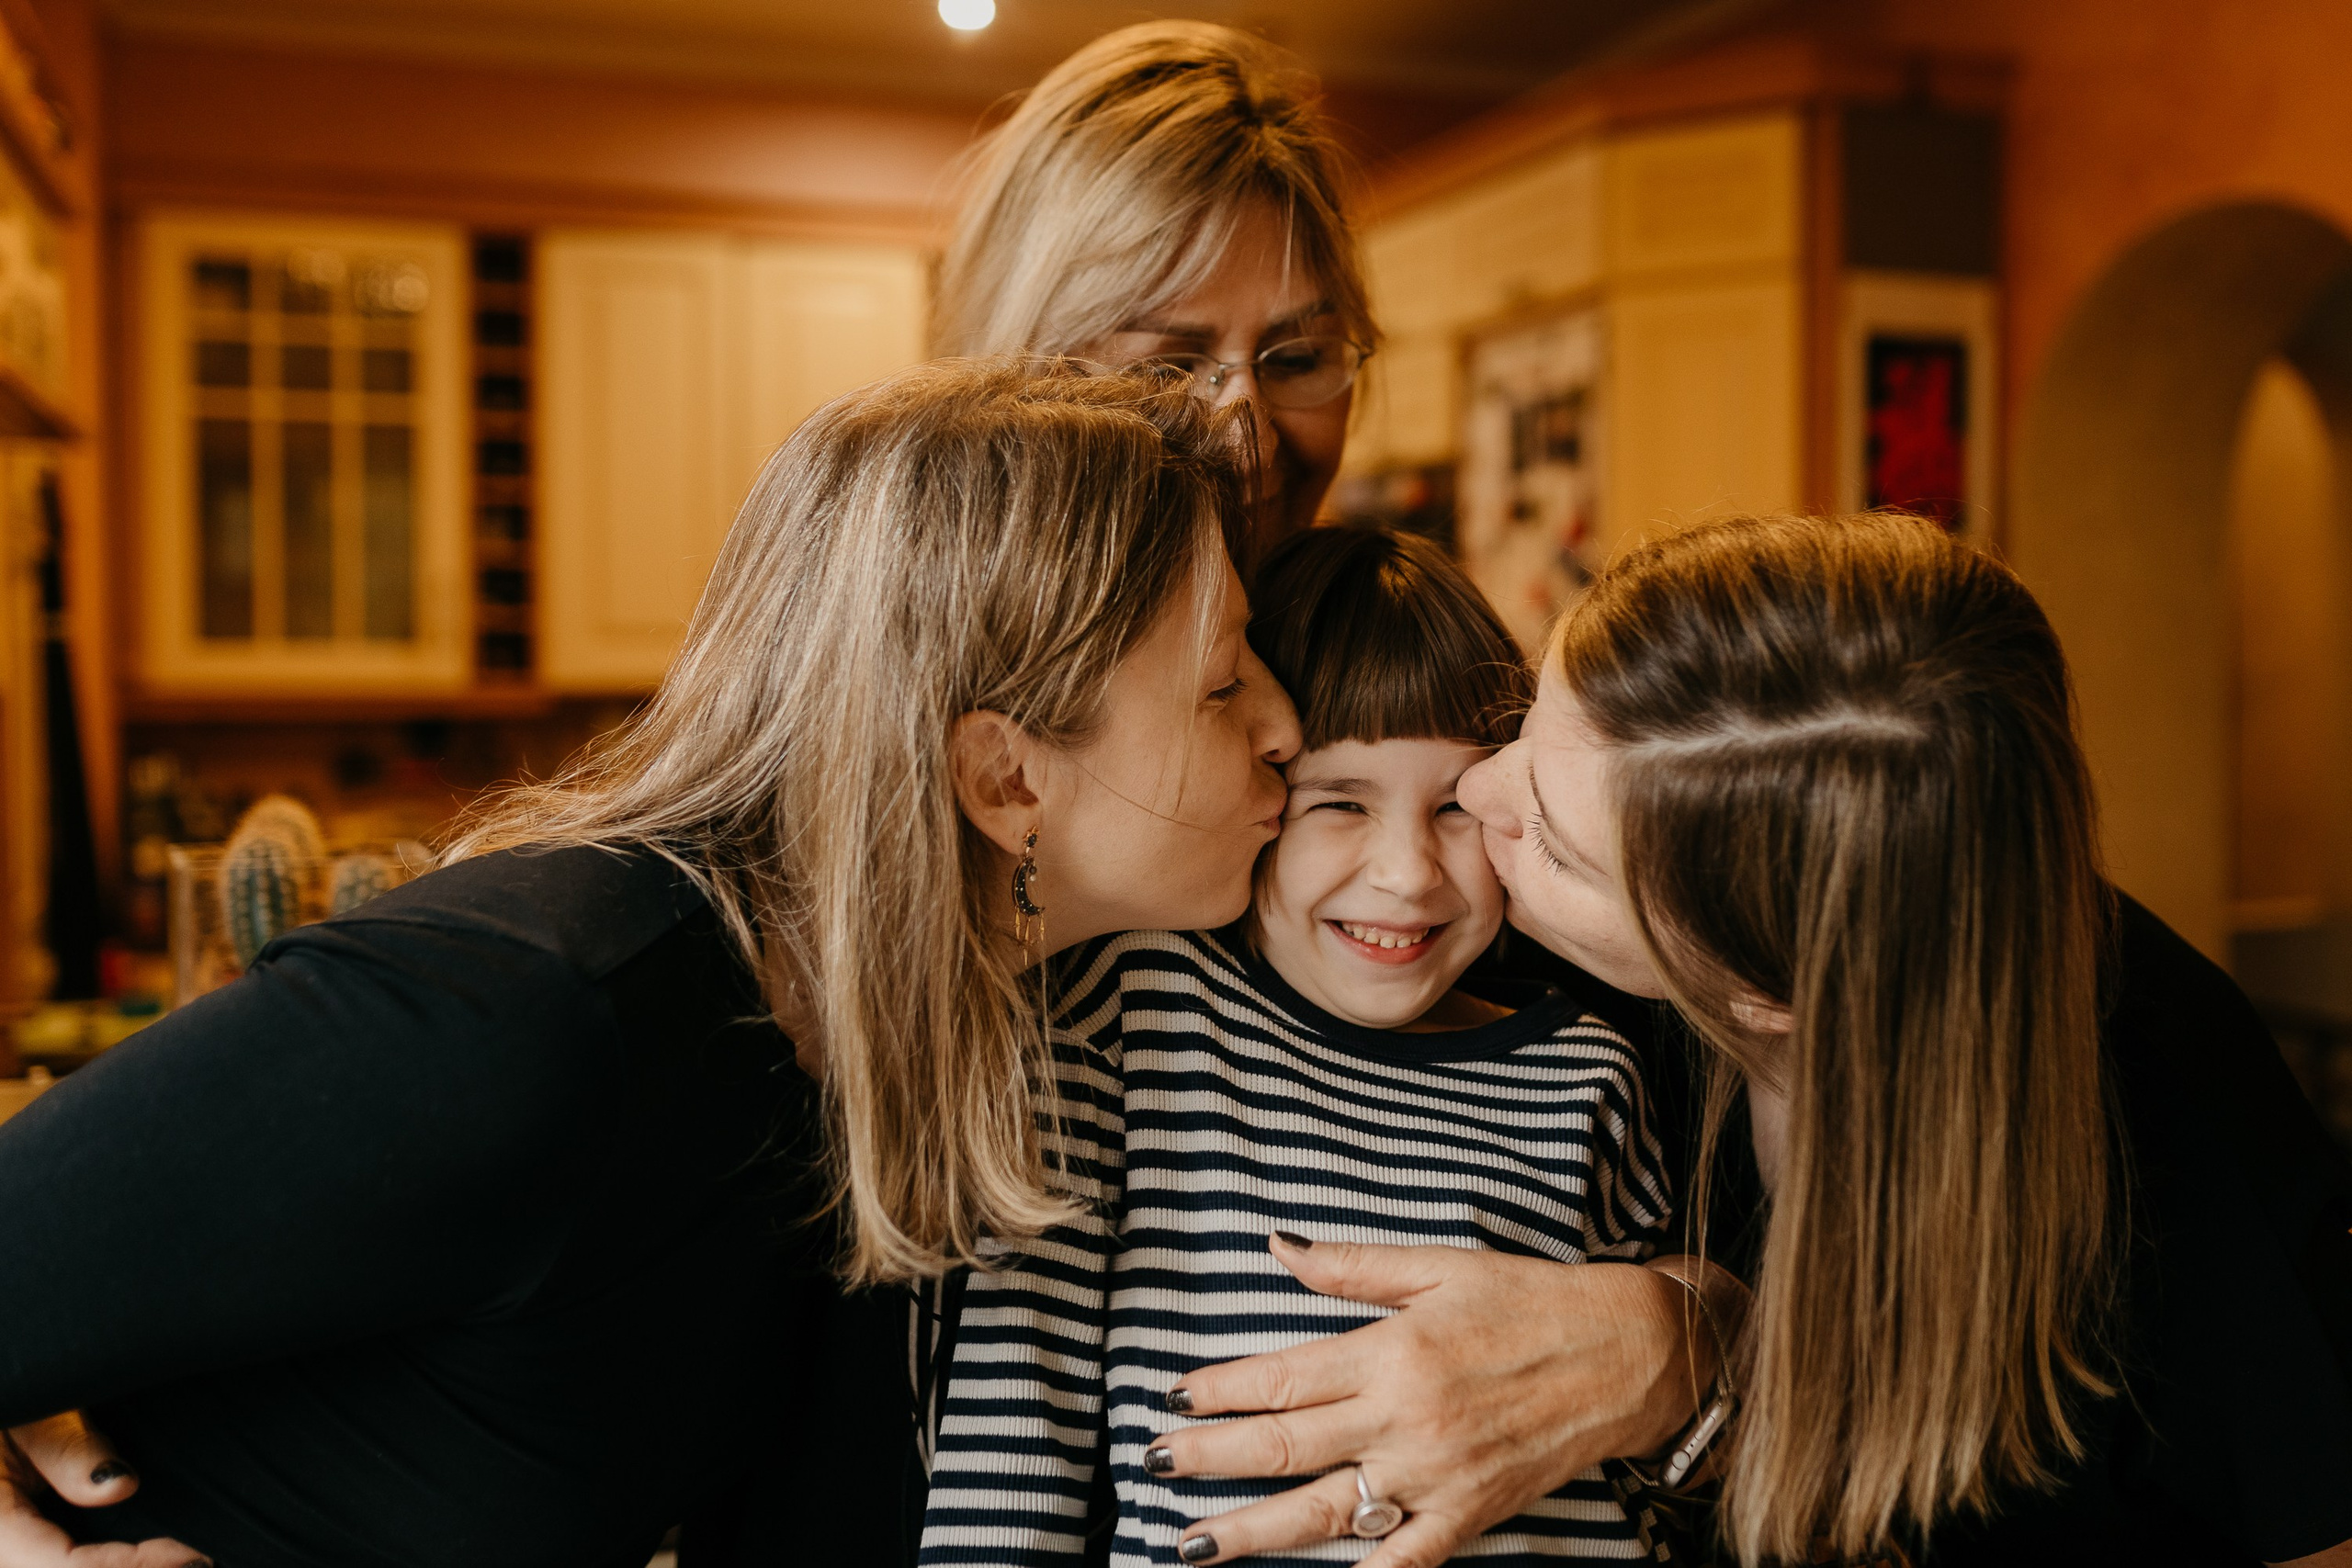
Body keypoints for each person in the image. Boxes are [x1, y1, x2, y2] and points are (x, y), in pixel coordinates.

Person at [0, 359, 1303, 1568]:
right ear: (1006, 776)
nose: (1286, 727)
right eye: (1224, 681)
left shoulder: (852, 1046)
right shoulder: (527, 1014)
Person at [1433, 512, 2351, 1565]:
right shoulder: (1542, 967)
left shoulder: (2179, 1135)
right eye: (1527, 718)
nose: (1473, 793)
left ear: (1771, 991)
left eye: (1552, 841)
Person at [919, 525, 1690, 1567]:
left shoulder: (1591, 1074)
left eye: (1456, 806)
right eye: (1339, 803)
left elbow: (1657, 1464)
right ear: (1257, 798)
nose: (1409, 873)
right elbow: (1015, 1439)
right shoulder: (1133, 1012)